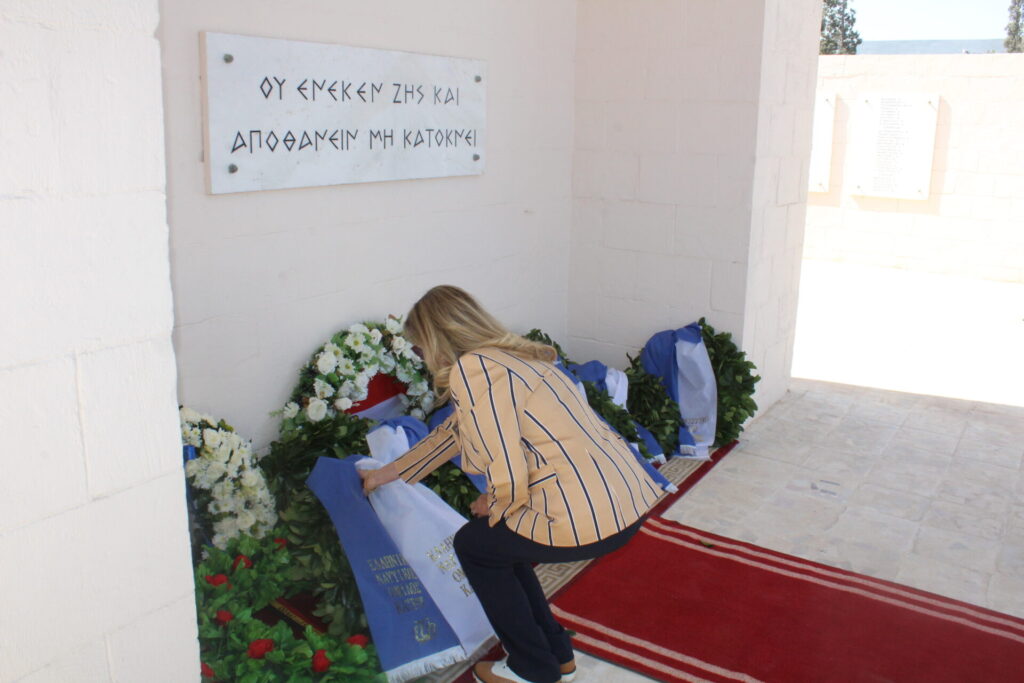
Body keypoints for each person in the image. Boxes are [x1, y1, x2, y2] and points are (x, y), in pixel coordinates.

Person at [361, 285, 662, 683]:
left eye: (419, 349)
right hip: (622, 501)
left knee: (475, 545)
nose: (421, 358)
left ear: (435, 340)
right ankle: (556, 655)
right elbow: (453, 434)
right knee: (500, 542)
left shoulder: (475, 368)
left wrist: (497, 501)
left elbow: (503, 456)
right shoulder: (510, 357)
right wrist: (384, 475)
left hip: (586, 513)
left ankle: (532, 668)